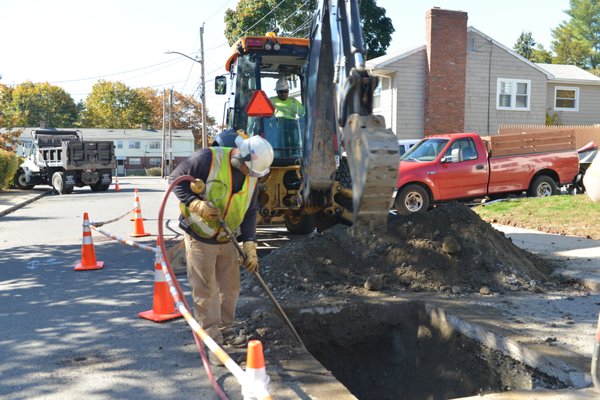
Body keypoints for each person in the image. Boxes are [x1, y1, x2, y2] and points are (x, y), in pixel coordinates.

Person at [169, 134, 274, 351]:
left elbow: (250, 211)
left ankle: (227, 329)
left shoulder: (253, 175)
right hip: (200, 235)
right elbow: (175, 180)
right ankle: (212, 338)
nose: (250, 175)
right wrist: (195, 204)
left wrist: (250, 245)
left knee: (231, 287)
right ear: (240, 158)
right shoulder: (207, 159)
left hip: (228, 237)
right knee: (206, 289)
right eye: (249, 170)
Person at [269, 78, 305, 157]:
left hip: (292, 126)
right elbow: (266, 115)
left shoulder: (294, 102)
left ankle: (295, 152)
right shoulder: (271, 101)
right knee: (281, 142)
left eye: (286, 91)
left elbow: (303, 113)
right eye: (281, 92)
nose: (284, 94)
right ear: (277, 92)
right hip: (277, 127)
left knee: (293, 142)